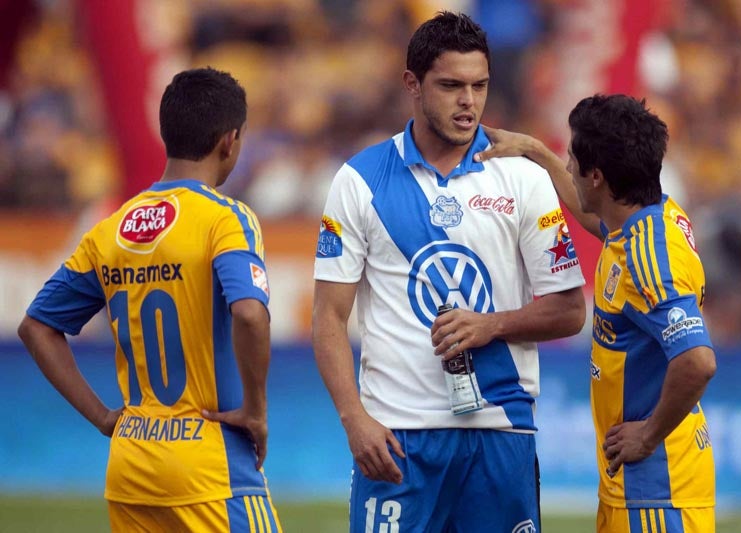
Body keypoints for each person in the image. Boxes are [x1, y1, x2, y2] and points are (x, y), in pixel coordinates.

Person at [311, 11, 586, 533]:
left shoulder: (522, 178)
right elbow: (327, 317)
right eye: (451, 86)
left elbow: (570, 310)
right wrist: (354, 420)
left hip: (501, 430)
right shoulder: (359, 180)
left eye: (479, 86)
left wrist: (492, 325)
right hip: (398, 437)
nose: (468, 102)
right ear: (412, 84)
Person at [17, 67, 281, 533]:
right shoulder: (227, 219)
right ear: (230, 140)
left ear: (167, 134)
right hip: (210, 466)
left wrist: (103, 417)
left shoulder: (111, 229)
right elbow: (249, 314)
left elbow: (36, 327)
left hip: (131, 467)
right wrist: (256, 411)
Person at [476, 94, 717, 532]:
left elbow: (698, 361)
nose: (568, 165)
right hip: (632, 485)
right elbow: (594, 218)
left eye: (572, 158)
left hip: (658, 491)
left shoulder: (647, 260)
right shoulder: (646, 217)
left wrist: (648, 436)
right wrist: (535, 151)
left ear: (597, 177)